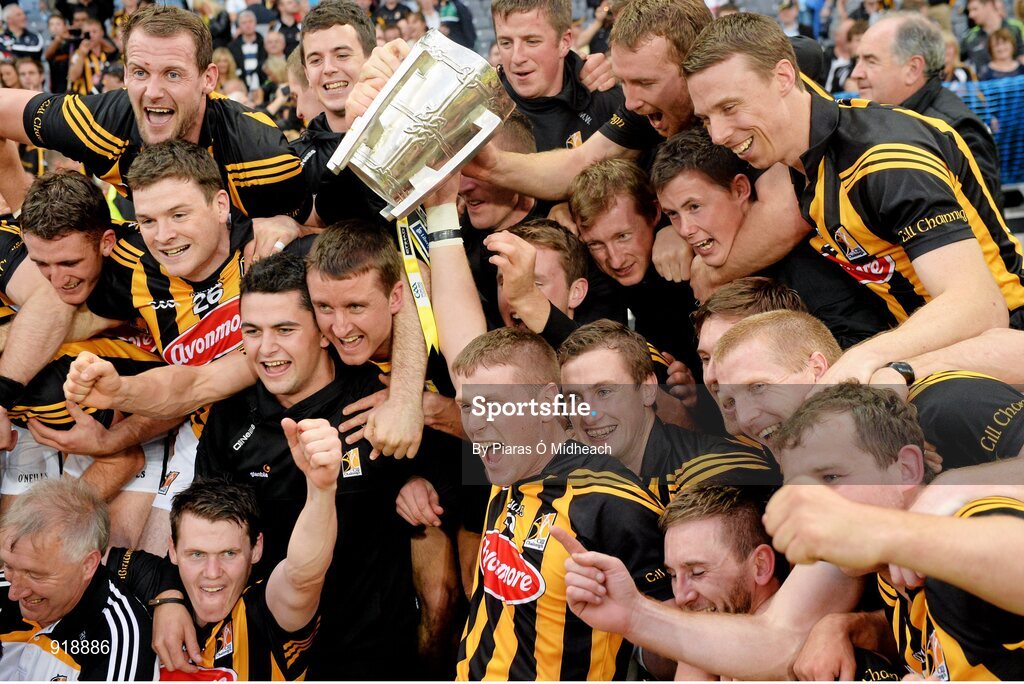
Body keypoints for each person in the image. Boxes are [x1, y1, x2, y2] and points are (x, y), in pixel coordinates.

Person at [683, 12, 1024, 384]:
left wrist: (866, 358)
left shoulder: (884, 157)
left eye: (730, 107)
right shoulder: (799, 161)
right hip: (932, 348)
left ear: (783, 78)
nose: (717, 134)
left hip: (1002, 340)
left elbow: (980, 305)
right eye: (705, 118)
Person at [179, 251, 422, 679]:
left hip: (374, 653)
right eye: (252, 331)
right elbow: (201, 529)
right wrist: (168, 596)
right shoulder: (231, 417)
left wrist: (424, 476)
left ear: (325, 333)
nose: (266, 349)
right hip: (273, 652)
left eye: (285, 330)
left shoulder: (378, 399)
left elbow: (498, 459)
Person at [765, 383, 1024, 679]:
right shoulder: (890, 579)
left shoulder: (967, 523)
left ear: (906, 469)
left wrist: (895, 537)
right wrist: (851, 626)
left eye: (832, 477)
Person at [0, 5, 305, 219]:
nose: (153, 91)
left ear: (208, 79)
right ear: (125, 76)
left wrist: (288, 226)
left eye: (172, 74)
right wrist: (21, 214)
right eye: (140, 72)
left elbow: (320, 228)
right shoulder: (102, 124)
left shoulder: (260, 154)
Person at [111, 423, 342, 680]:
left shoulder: (264, 614)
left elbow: (304, 575)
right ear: (172, 551)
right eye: (196, 554)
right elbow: (75, 561)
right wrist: (166, 601)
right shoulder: (150, 585)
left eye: (229, 554)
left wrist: (322, 491)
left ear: (256, 549)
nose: (212, 573)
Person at [650, 127, 891, 348]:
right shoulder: (695, 263)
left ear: (740, 190)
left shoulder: (807, 266)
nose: (685, 229)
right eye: (673, 214)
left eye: (694, 207)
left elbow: (865, 342)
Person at [712, 309, 1024, 466]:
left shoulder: (931, 403)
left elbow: (1013, 347)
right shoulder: (802, 469)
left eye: (758, 386)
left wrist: (899, 372)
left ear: (816, 369)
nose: (746, 418)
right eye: (729, 402)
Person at [558, 320, 779, 505]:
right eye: (574, 398)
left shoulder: (716, 471)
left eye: (604, 391)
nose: (588, 415)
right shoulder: (572, 479)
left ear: (648, 389)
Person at [0, 478, 154, 680]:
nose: (14, 593)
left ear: (88, 564)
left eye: (35, 574)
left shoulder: (118, 637)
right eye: (8, 566)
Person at [849, 13, 1002, 208]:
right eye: (858, 60)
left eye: (870, 61)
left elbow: (982, 222)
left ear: (913, 69)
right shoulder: (876, 117)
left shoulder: (956, 131)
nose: (856, 73)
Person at [660, 484, 788, 680]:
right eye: (673, 576)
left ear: (760, 566)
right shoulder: (704, 644)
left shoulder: (811, 650)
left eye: (697, 572)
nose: (680, 597)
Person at [490, 0, 622, 152]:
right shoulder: (479, 109)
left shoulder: (607, 101)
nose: (516, 58)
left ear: (564, 43)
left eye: (531, 42)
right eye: (506, 43)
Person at [960, 0, 1024, 72]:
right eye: (969, 11)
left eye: (975, 9)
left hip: (1015, 81)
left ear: (989, 5)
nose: (971, 15)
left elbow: (1022, 56)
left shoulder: (1016, 28)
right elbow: (957, 61)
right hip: (983, 82)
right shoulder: (970, 37)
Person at [228, 9, 267, 94]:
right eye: (244, 23)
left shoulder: (265, 43)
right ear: (239, 26)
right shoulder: (232, 46)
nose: (248, 25)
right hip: (240, 87)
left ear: (255, 23)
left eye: (250, 21)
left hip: (263, 87)